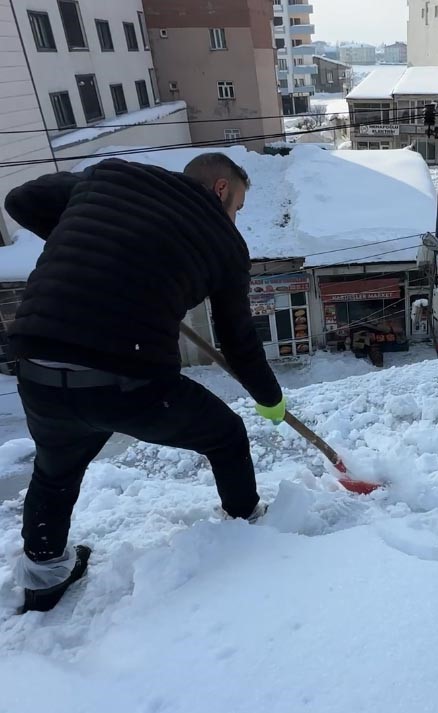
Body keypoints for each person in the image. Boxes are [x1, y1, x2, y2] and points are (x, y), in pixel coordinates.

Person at [3, 153, 287, 612]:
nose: (235, 218)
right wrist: (269, 399)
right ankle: (245, 526)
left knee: (54, 474)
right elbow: (238, 340)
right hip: (130, 380)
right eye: (238, 206)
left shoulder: (113, 174)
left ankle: (44, 579)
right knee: (226, 436)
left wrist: (87, 238)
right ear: (220, 190)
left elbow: (19, 200)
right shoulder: (224, 242)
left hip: (37, 366)